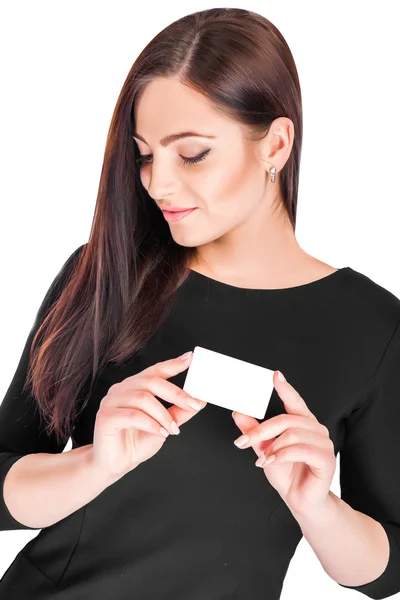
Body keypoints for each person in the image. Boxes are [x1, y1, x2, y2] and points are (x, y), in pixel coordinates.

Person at [1, 7, 399, 600]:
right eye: (143, 154)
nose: (157, 183)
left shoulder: (372, 327)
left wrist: (319, 507)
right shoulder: (105, 275)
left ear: (276, 144)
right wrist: (96, 464)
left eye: (190, 154)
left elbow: (387, 571)